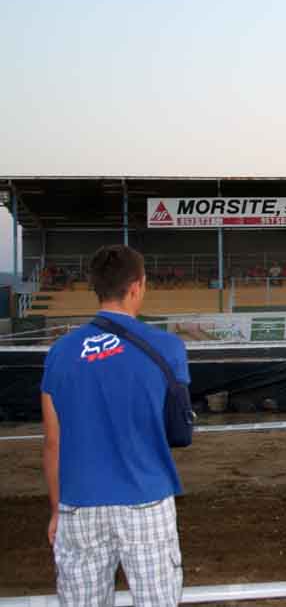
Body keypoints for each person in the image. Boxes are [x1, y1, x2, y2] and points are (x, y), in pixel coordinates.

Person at [41, 244, 188, 605]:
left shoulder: (60, 352)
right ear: (137, 286)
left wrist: (57, 510)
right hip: (146, 499)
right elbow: (178, 430)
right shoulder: (167, 348)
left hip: (79, 504)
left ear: (96, 287)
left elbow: (52, 442)